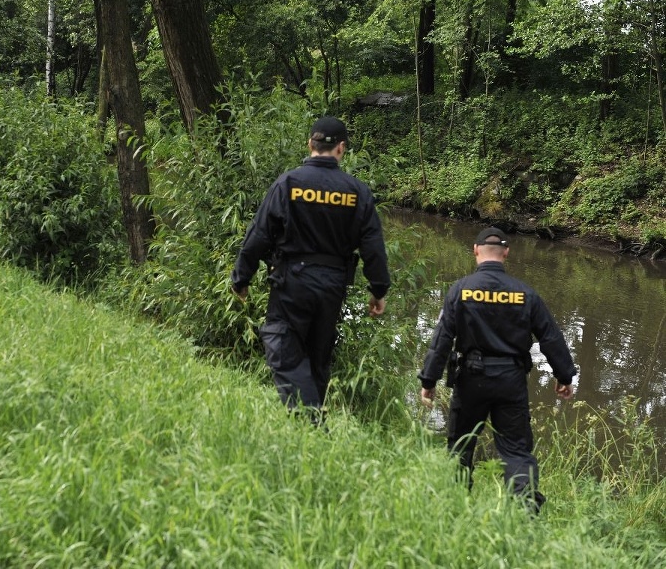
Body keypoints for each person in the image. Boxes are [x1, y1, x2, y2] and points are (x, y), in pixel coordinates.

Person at [231, 116, 390, 420]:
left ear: (310, 144)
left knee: (282, 344)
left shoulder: (288, 183)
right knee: (318, 357)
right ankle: (313, 428)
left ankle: (309, 422)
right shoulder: (358, 192)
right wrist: (378, 290)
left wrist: (241, 278)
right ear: (341, 149)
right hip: (333, 287)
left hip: (292, 281)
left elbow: (259, 234)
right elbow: (373, 248)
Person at [418, 226, 577, 514]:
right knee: (516, 450)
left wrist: (429, 379)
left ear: (476, 251)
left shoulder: (460, 290)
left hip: (471, 379)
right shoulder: (526, 294)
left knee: (462, 445)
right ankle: (526, 512)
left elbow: (442, 338)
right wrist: (564, 376)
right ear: (506, 253)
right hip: (511, 381)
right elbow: (551, 337)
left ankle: (455, 506)